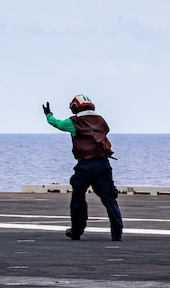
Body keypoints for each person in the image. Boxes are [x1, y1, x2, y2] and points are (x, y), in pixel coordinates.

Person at [43, 95, 123, 241]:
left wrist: (49, 115)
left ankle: (76, 231)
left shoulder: (74, 122)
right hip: (103, 164)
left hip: (85, 165)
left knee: (78, 197)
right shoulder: (101, 120)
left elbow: (57, 124)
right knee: (109, 198)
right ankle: (117, 232)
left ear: (75, 107)